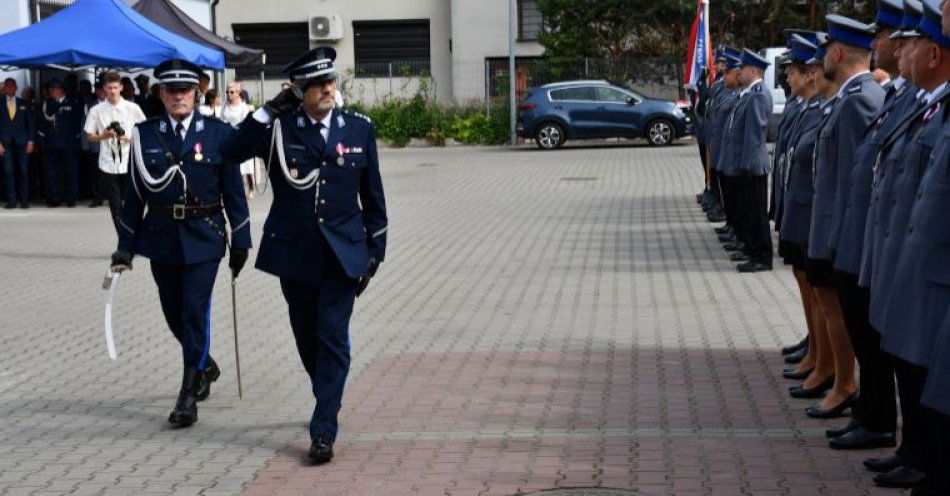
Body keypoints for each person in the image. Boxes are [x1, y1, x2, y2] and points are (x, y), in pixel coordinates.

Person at [222, 46, 388, 464]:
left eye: (331, 82)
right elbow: (229, 150)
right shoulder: (280, 128)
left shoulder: (358, 129)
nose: (328, 90)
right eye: (318, 85)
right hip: (294, 254)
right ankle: (327, 395)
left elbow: (374, 197)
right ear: (299, 91)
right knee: (307, 338)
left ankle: (323, 428)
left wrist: (375, 251)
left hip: (342, 255)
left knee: (333, 338)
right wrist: (263, 112)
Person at [108, 59, 252, 428]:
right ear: (160, 94)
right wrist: (126, 245)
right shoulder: (145, 134)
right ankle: (203, 362)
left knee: (193, 308)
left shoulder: (219, 133)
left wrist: (242, 238)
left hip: (205, 235)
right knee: (174, 312)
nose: (178, 96)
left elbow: (234, 192)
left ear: (197, 92)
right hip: (161, 237)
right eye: (170, 90)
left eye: (185, 89)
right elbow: (135, 196)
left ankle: (188, 394)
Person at [864, 0, 950, 488]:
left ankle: (921, 455)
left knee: (924, 378)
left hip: (933, 273)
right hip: (911, 260)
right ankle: (914, 450)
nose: (901, 54)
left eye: (910, 44)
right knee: (910, 370)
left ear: (934, 54)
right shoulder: (927, 104)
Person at [826, 0, 915, 454]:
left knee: (875, 341)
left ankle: (879, 420)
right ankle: (872, 415)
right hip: (859, 237)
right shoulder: (891, 98)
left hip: (871, 237)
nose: (881, 45)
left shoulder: (869, 98)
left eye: (887, 37)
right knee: (866, 336)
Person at [720, 49, 774, 273]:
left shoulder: (758, 95)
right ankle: (751, 251)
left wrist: (747, 166)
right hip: (745, 165)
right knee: (748, 213)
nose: (738, 72)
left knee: (756, 215)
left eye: (741, 69)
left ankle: (761, 257)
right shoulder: (749, 94)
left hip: (752, 167)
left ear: (753, 71)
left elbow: (754, 135)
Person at [84, 72, 146, 237]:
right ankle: (125, 239)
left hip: (129, 161)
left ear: (121, 88)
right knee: (115, 205)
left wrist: (127, 137)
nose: (112, 91)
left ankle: (135, 234)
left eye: (115, 87)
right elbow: (89, 135)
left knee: (132, 202)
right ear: (104, 88)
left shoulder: (132, 108)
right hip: (108, 163)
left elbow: (145, 133)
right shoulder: (96, 110)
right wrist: (105, 135)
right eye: (109, 88)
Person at [38, 79, 84, 208]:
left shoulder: (72, 103)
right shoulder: (47, 104)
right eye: (51, 89)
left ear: (61, 90)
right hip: (51, 144)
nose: (51, 91)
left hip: (68, 144)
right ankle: (55, 198)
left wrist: (77, 143)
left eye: (54, 89)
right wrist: (42, 142)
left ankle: (71, 198)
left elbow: (77, 124)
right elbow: (42, 124)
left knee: (71, 172)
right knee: (52, 172)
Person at [1, 78, 36, 209]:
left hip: (22, 142)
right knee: (8, 171)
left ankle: (25, 199)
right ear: (4, 88)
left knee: (23, 170)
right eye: (7, 86)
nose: (9, 88)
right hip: (5, 142)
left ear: (16, 88)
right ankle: (11, 200)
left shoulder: (24, 103)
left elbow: (31, 124)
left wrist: (31, 142)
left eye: (12, 86)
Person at [219, 82, 257, 197]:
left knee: (247, 168)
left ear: (238, 93)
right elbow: (221, 120)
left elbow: (245, 124)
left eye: (231, 92)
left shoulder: (244, 107)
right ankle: (236, 190)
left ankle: (251, 188)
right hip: (228, 138)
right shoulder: (224, 106)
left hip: (241, 138)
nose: (229, 94)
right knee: (234, 168)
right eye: (227, 92)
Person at [81, 82, 105, 207]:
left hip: (111, 145)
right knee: (96, 173)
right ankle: (97, 197)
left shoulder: (114, 104)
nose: (102, 92)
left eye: (103, 89)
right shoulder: (90, 106)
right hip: (95, 144)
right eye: (99, 90)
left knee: (112, 173)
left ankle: (112, 196)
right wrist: (85, 145)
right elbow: (84, 125)